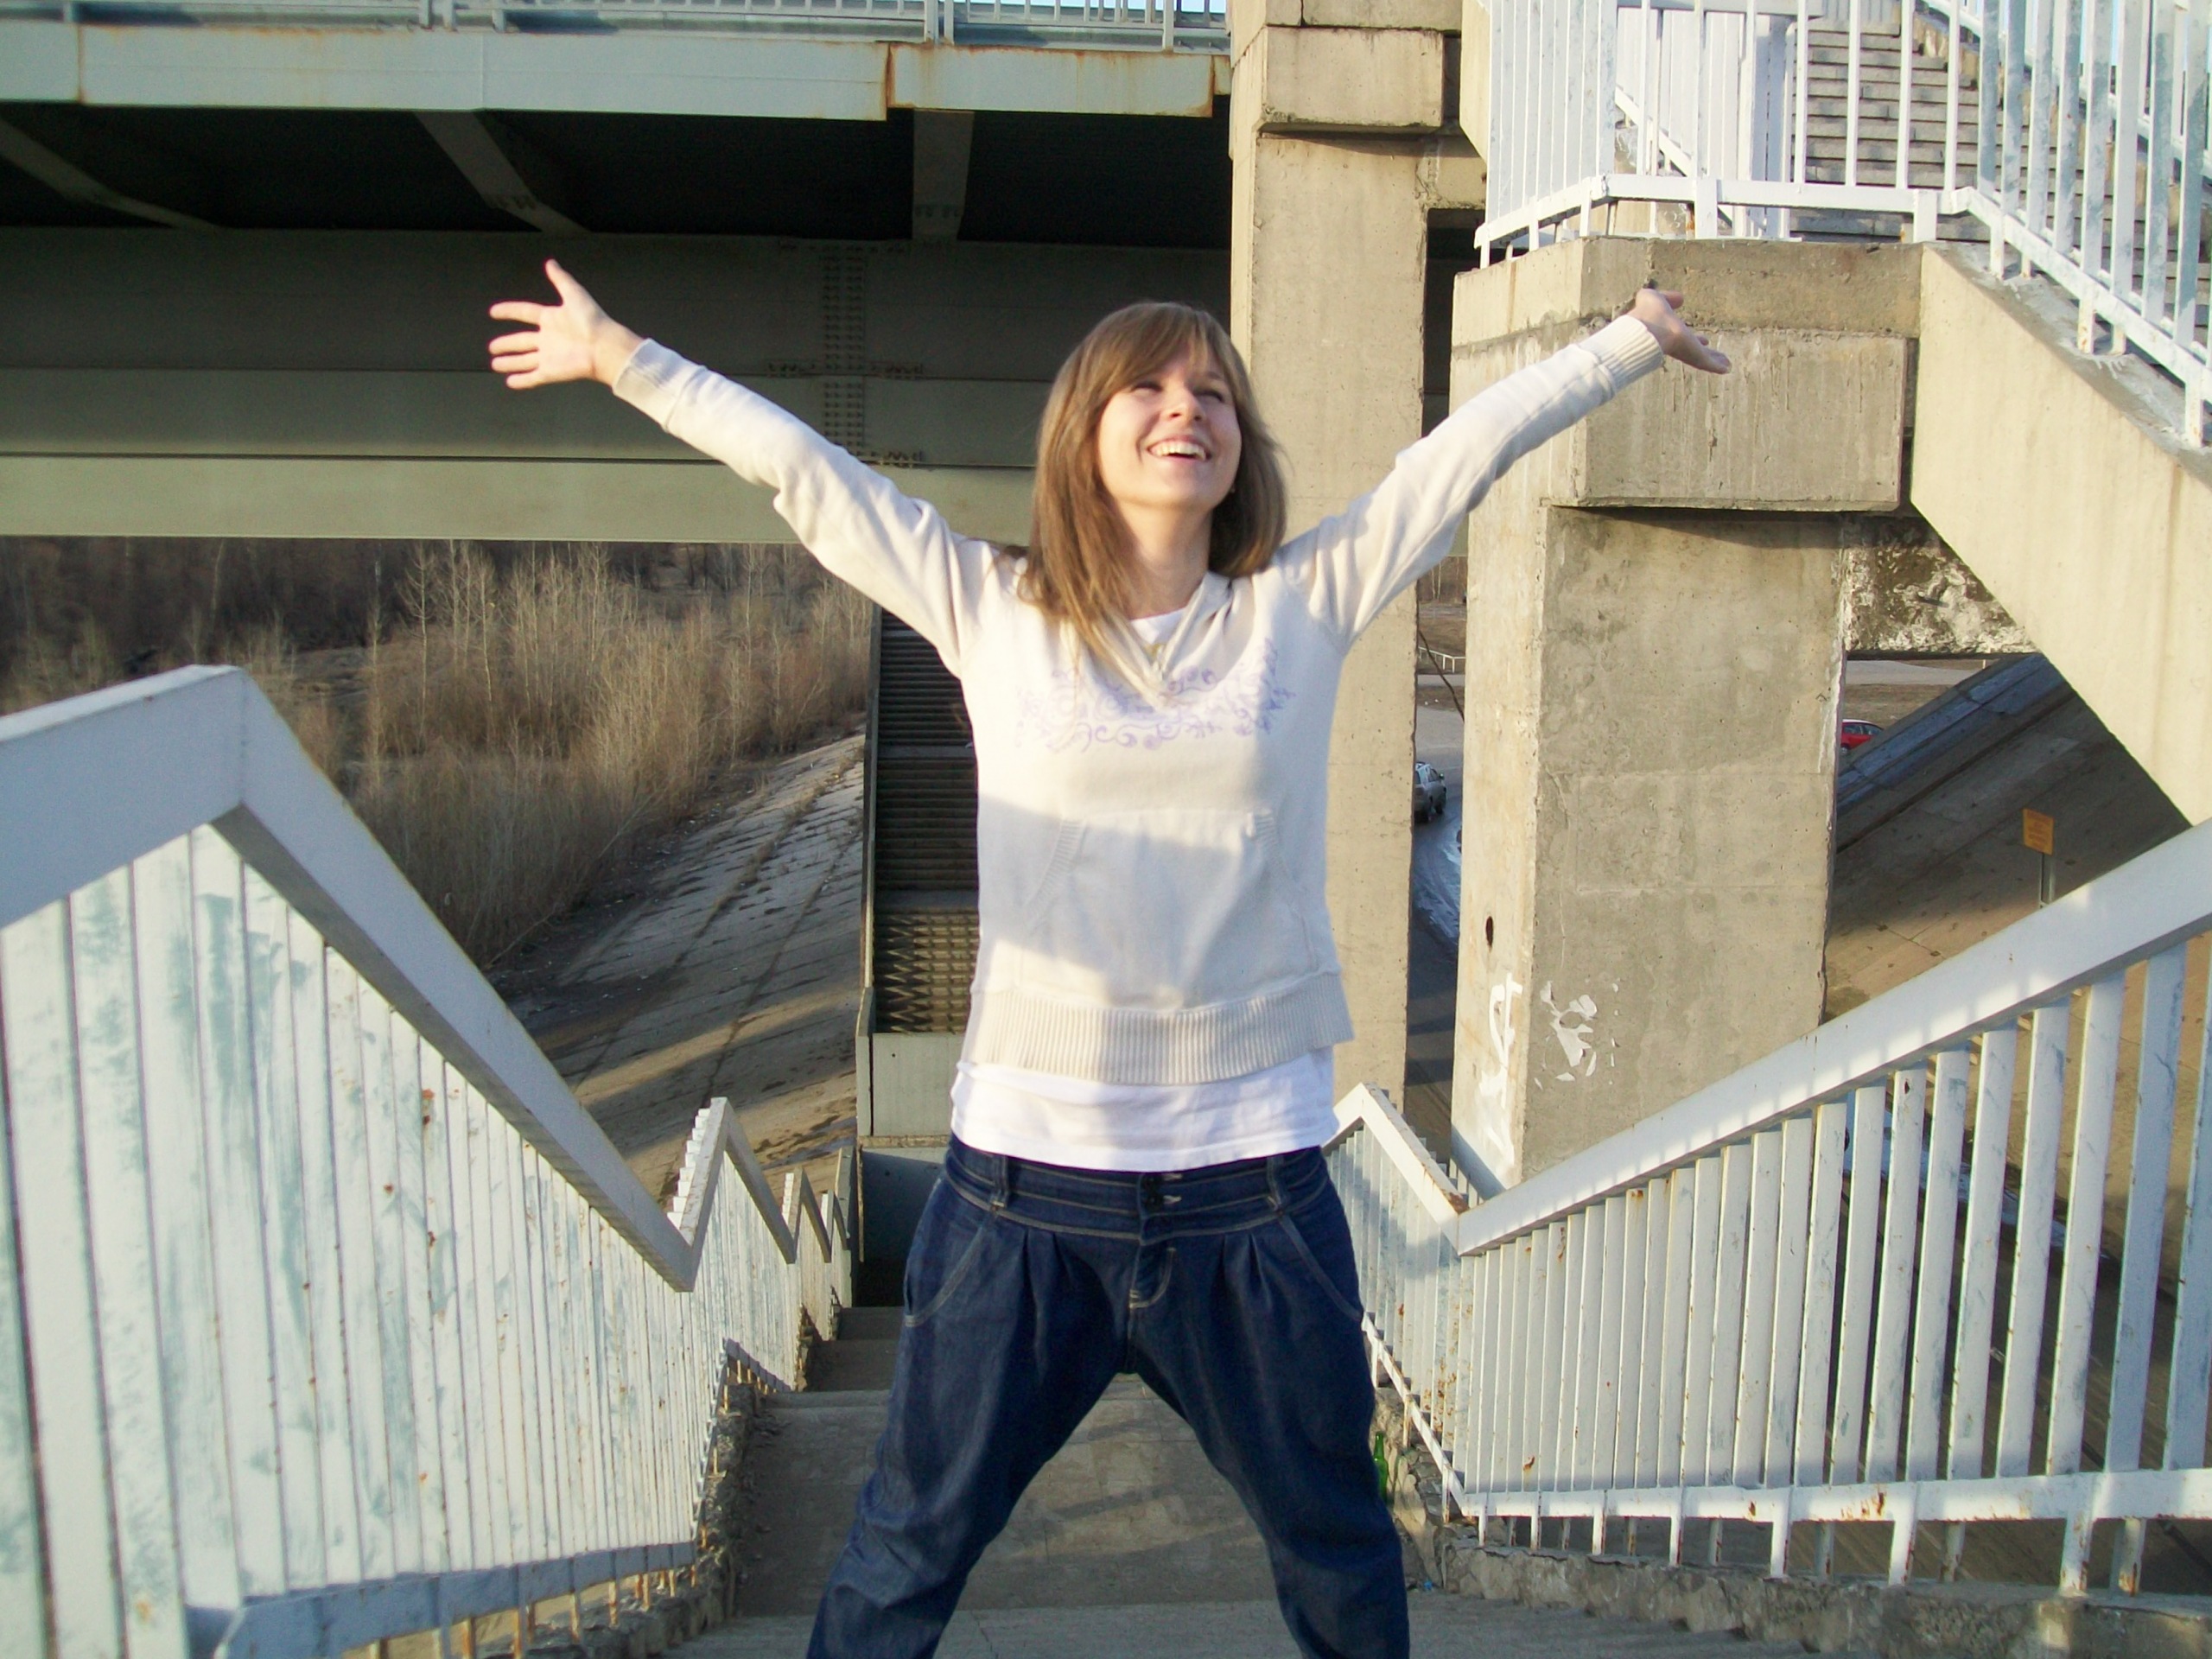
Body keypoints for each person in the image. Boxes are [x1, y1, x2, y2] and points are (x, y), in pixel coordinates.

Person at [489, 263, 1729, 1659]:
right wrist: (624, 357)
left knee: (1339, 1552)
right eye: (1145, 386)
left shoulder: (1301, 606)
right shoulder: (993, 609)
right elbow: (810, 479)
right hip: (1025, 1202)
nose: (1184, 408)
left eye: (1212, 392)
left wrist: (1631, 341)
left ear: (1241, 444)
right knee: (905, 1553)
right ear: (1081, 431)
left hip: (1255, 1197)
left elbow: (1461, 458)